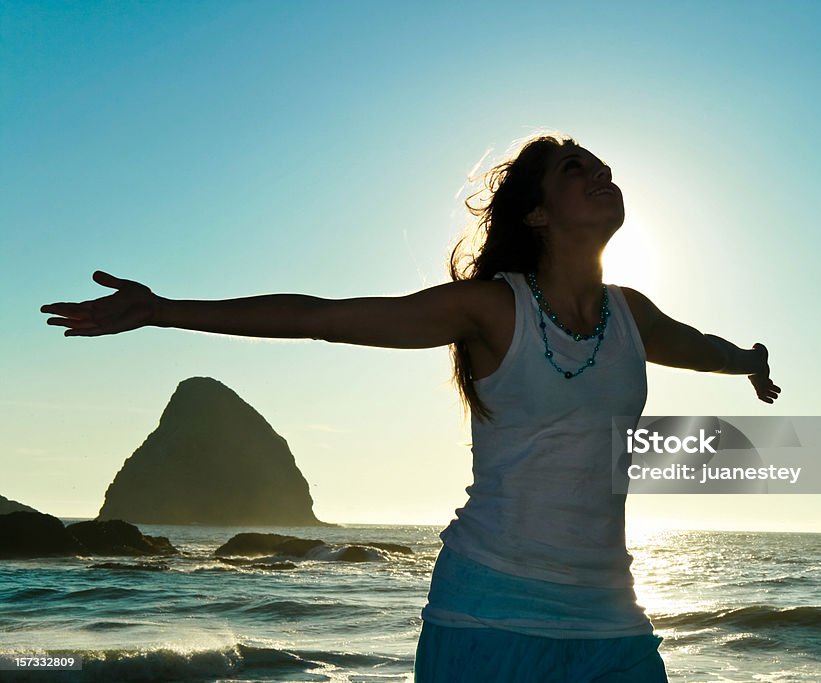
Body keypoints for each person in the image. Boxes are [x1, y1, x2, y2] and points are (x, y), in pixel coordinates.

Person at [41, 133, 781, 682]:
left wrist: (749, 360)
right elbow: (321, 316)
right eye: (575, 169)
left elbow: (700, 344)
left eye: (606, 169)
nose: (602, 176)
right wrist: (167, 309)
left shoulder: (632, 313)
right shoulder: (493, 309)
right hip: (488, 608)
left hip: (613, 618)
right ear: (537, 215)